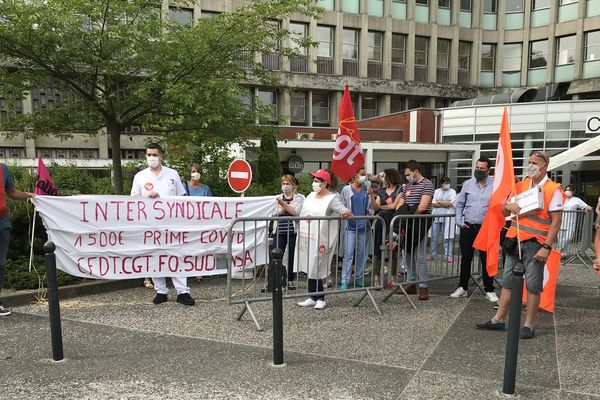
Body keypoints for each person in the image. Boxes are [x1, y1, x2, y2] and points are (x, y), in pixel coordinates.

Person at [477, 150, 564, 339]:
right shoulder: (521, 185)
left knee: (533, 285)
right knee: (507, 283)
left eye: (535, 162)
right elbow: (503, 208)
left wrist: (547, 247)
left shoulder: (553, 189)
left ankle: (529, 324)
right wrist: (508, 206)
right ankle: (498, 320)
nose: (531, 165)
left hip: (536, 245)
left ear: (545, 166)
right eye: (530, 161)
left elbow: (556, 221)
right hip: (514, 241)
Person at [130, 143, 195, 306]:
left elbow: (182, 197)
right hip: (150, 224)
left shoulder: (172, 174)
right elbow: (132, 200)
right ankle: (161, 291)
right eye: (148, 154)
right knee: (155, 256)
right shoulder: (140, 176)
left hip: (172, 223)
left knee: (177, 255)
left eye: (154, 154)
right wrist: (146, 197)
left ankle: (183, 292)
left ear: (161, 156)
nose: (151, 158)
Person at [296, 169, 350, 310]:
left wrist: (345, 212)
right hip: (308, 236)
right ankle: (312, 296)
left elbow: (343, 209)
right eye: (314, 180)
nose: (314, 183)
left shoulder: (332, 198)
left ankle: (320, 297)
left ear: (325, 183)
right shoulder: (310, 196)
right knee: (309, 265)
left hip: (322, 238)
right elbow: (298, 211)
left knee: (318, 266)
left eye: (317, 181)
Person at [451, 156, 498, 303]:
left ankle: (489, 289)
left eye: (482, 168)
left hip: (486, 228)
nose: (478, 170)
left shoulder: (495, 184)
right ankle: (462, 287)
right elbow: (459, 204)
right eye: (477, 167)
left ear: (488, 170)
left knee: (486, 259)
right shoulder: (468, 184)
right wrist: (459, 221)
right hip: (468, 226)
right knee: (466, 258)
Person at [393, 160, 434, 300]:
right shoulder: (408, 186)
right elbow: (399, 204)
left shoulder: (427, 184)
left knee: (420, 255)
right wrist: (404, 216)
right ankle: (411, 283)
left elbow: (423, 206)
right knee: (408, 254)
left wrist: (407, 215)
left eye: (409, 174)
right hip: (408, 222)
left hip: (420, 221)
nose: (407, 177)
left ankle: (423, 286)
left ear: (416, 171)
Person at [0, 162, 36, 316]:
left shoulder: (3, 169)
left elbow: (12, 192)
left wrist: (30, 195)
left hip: (2, 223)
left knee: (0, 265)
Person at [339, 168, 372, 290]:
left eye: (365, 175)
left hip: (364, 226)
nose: (364, 177)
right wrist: (344, 212)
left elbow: (372, 207)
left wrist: (371, 194)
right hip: (351, 227)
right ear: (355, 175)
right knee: (348, 254)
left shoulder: (366, 189)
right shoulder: (346, 190)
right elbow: (341, 205)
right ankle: (345, 280)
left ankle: (358, 277)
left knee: (362, 254)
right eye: (362, 175)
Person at [371, 168, 403, 287]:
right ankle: (376, 279)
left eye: (385, 176)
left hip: (393, 222)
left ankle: (393, 278)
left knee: (394, 249)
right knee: (377, 249)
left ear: (390, 177)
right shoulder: (381, 190)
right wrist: (371, 197)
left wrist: (381, 207)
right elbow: (376, 207)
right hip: (380, 222)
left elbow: (394, 207)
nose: (383, 179)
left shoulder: (400, 189)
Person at [274, 174, 304, 290]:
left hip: (292, 232)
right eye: (283, 184)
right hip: (279, 231)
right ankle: (278, 279)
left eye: (288, 184)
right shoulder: (277, 197)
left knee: (292, 256)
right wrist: (286, 207)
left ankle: (290, 280)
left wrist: (282, 206)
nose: (285, 186)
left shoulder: (299, 198)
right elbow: (274, 212)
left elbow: (295, 212)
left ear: (293, 185)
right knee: (277, 255)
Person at [428, 177, 457, 263]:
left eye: (447, 182)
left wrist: (439, 201)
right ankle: (432, 255)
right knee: (434, 237)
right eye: (444, 183)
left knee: (447, 238)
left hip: (447, 216)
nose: (446, 184)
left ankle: (448, 255)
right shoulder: (437, 191)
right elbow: (433, 204)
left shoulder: (452, 191)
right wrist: (445, 202)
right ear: (441, 184)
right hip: (437, 216)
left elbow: (451, 204)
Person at [556, 185, 591, 253]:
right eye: (566, 190)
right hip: (560, 222)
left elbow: (586, 206)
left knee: (568, 238)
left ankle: (559, 250)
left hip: (570, 223)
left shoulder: (576, 200)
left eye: (569, 190)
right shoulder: (561, 198)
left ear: (573, 191)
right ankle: (563, 254)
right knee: (560, 240)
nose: (567, 191)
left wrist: (588, 209)